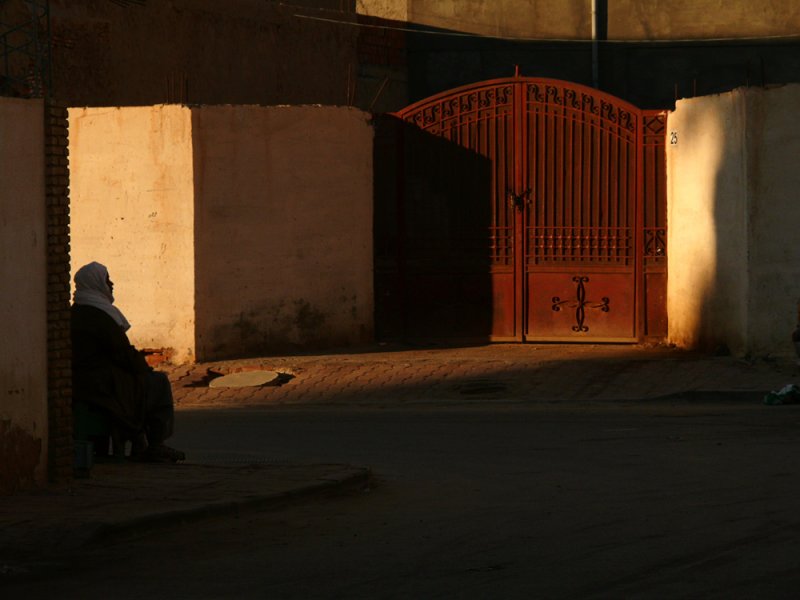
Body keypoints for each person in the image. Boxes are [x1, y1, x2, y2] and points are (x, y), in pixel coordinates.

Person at [71, 261, 185, 463]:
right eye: (107, 280)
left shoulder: (78, 311)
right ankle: (156, 443)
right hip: (99, 383)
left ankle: (141, 440)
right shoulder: (99, 316)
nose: (111, 284)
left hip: (86, 379)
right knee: (158, 382)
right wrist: (144, 369)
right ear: (96, 283)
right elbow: (122, 353)